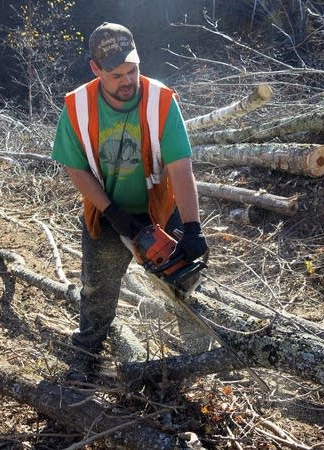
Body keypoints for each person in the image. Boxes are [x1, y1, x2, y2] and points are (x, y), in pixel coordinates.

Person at [51, 22, 208, 382]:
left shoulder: (160, 100)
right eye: (116, 73)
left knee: (184, 280)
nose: (127, 80)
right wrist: (113, 213)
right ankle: (87, 353)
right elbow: (75, 168)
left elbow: (181, 168)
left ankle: (200, 357)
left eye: (132, 70)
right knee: (98, 289)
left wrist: (193, 228)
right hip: (106, 208)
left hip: (159, 205)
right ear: (95, 69)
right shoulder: (76, 107)